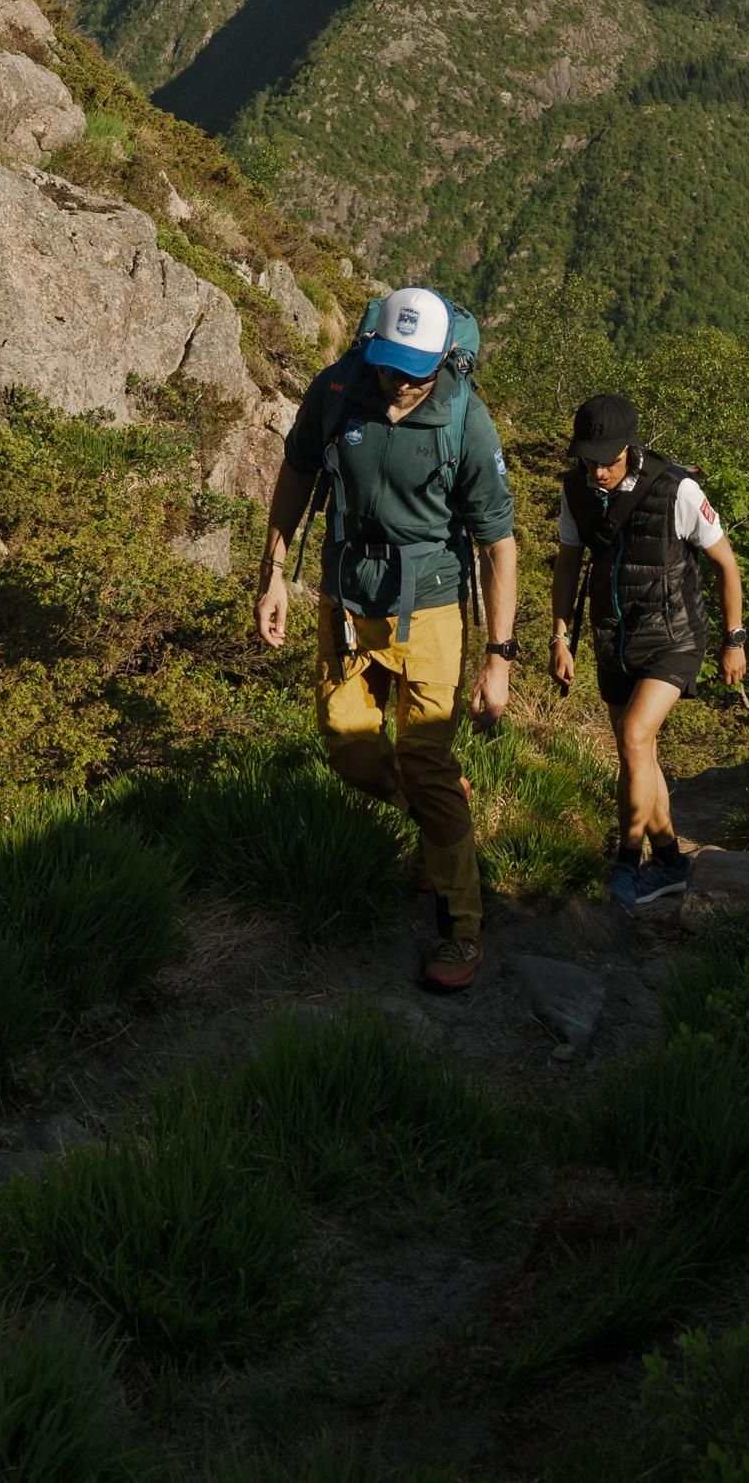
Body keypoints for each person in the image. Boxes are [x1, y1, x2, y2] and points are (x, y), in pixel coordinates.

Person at [255, 285, 519, 994]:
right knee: (347, 745)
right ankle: (438, 809)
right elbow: (298, 471)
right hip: (345, 596)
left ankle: (462, 926)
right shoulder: (339, 390)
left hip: (430, 606)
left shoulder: (465, 419)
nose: (398, 382)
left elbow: (497, 543)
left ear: (440, 361)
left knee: (424, 757)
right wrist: (273, 573)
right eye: (389, 367)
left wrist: (499, 656)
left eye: (414, 372)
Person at [548, 392, 746, 908]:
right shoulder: (575, 490)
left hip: (675, 636)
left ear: (630, 449)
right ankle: (670, 861)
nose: (597, 472)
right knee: (637, 751)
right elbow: (567, 563)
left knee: (635, 735)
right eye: (588, 461)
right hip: (613, 637)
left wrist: (734, 640)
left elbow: (726, 564)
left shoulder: (678, 490)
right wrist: (559, 638)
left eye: (607, 462)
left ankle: (627, 864)